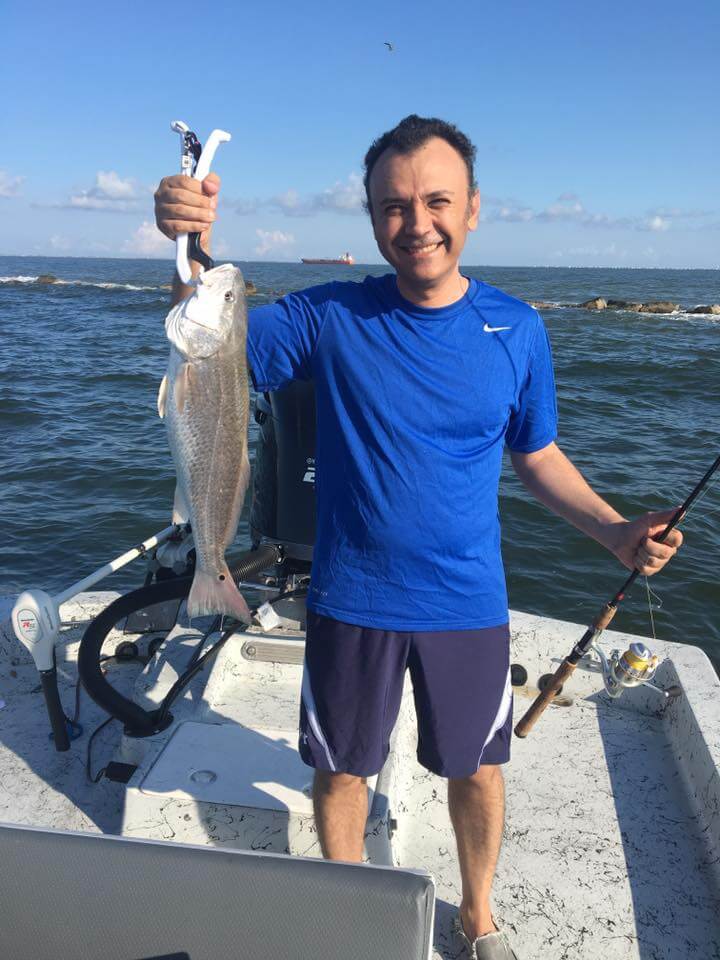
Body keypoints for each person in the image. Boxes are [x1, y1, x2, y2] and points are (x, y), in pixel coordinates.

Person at [154, 114, 683, 960]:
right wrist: (187, 250)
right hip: (350, 595)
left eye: (437, 200)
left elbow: (536, 455)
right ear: (371, 218)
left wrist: (615, 530)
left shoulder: (518, 330)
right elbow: (211, 350)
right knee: (342, 769)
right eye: (394, 206)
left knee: (477, 769)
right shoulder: (327, 317)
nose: (418, 222)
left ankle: (478, 917)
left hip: (467, 600)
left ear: (473, 208)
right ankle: (350, 905)